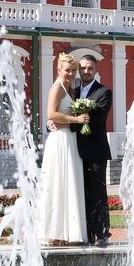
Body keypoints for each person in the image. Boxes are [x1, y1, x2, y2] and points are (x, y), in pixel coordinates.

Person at [38, 53, 89, 246]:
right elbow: (51, 113)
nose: (70, 73)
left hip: (70, 139)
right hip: (60, 140)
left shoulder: (71, 90)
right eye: (67, 70)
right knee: (58, 182)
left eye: (73, 70)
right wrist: (75, 120)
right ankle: (55, 232)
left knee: (70, 184)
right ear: (58, 70)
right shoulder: (56, 88)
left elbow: (56, 116)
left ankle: (69, 232)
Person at [74, 55, 113, 246]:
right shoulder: (72, 92)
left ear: (96, 70)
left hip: (96, 151)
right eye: (83, 68)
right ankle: (86, 233)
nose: (86, 71)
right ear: (78, 70)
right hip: (75, 152)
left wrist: (75, 121)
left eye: (90, 68)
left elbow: (98, 119)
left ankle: (102, 233)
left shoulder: (104, 92)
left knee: (97, 191)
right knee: (80, 192)